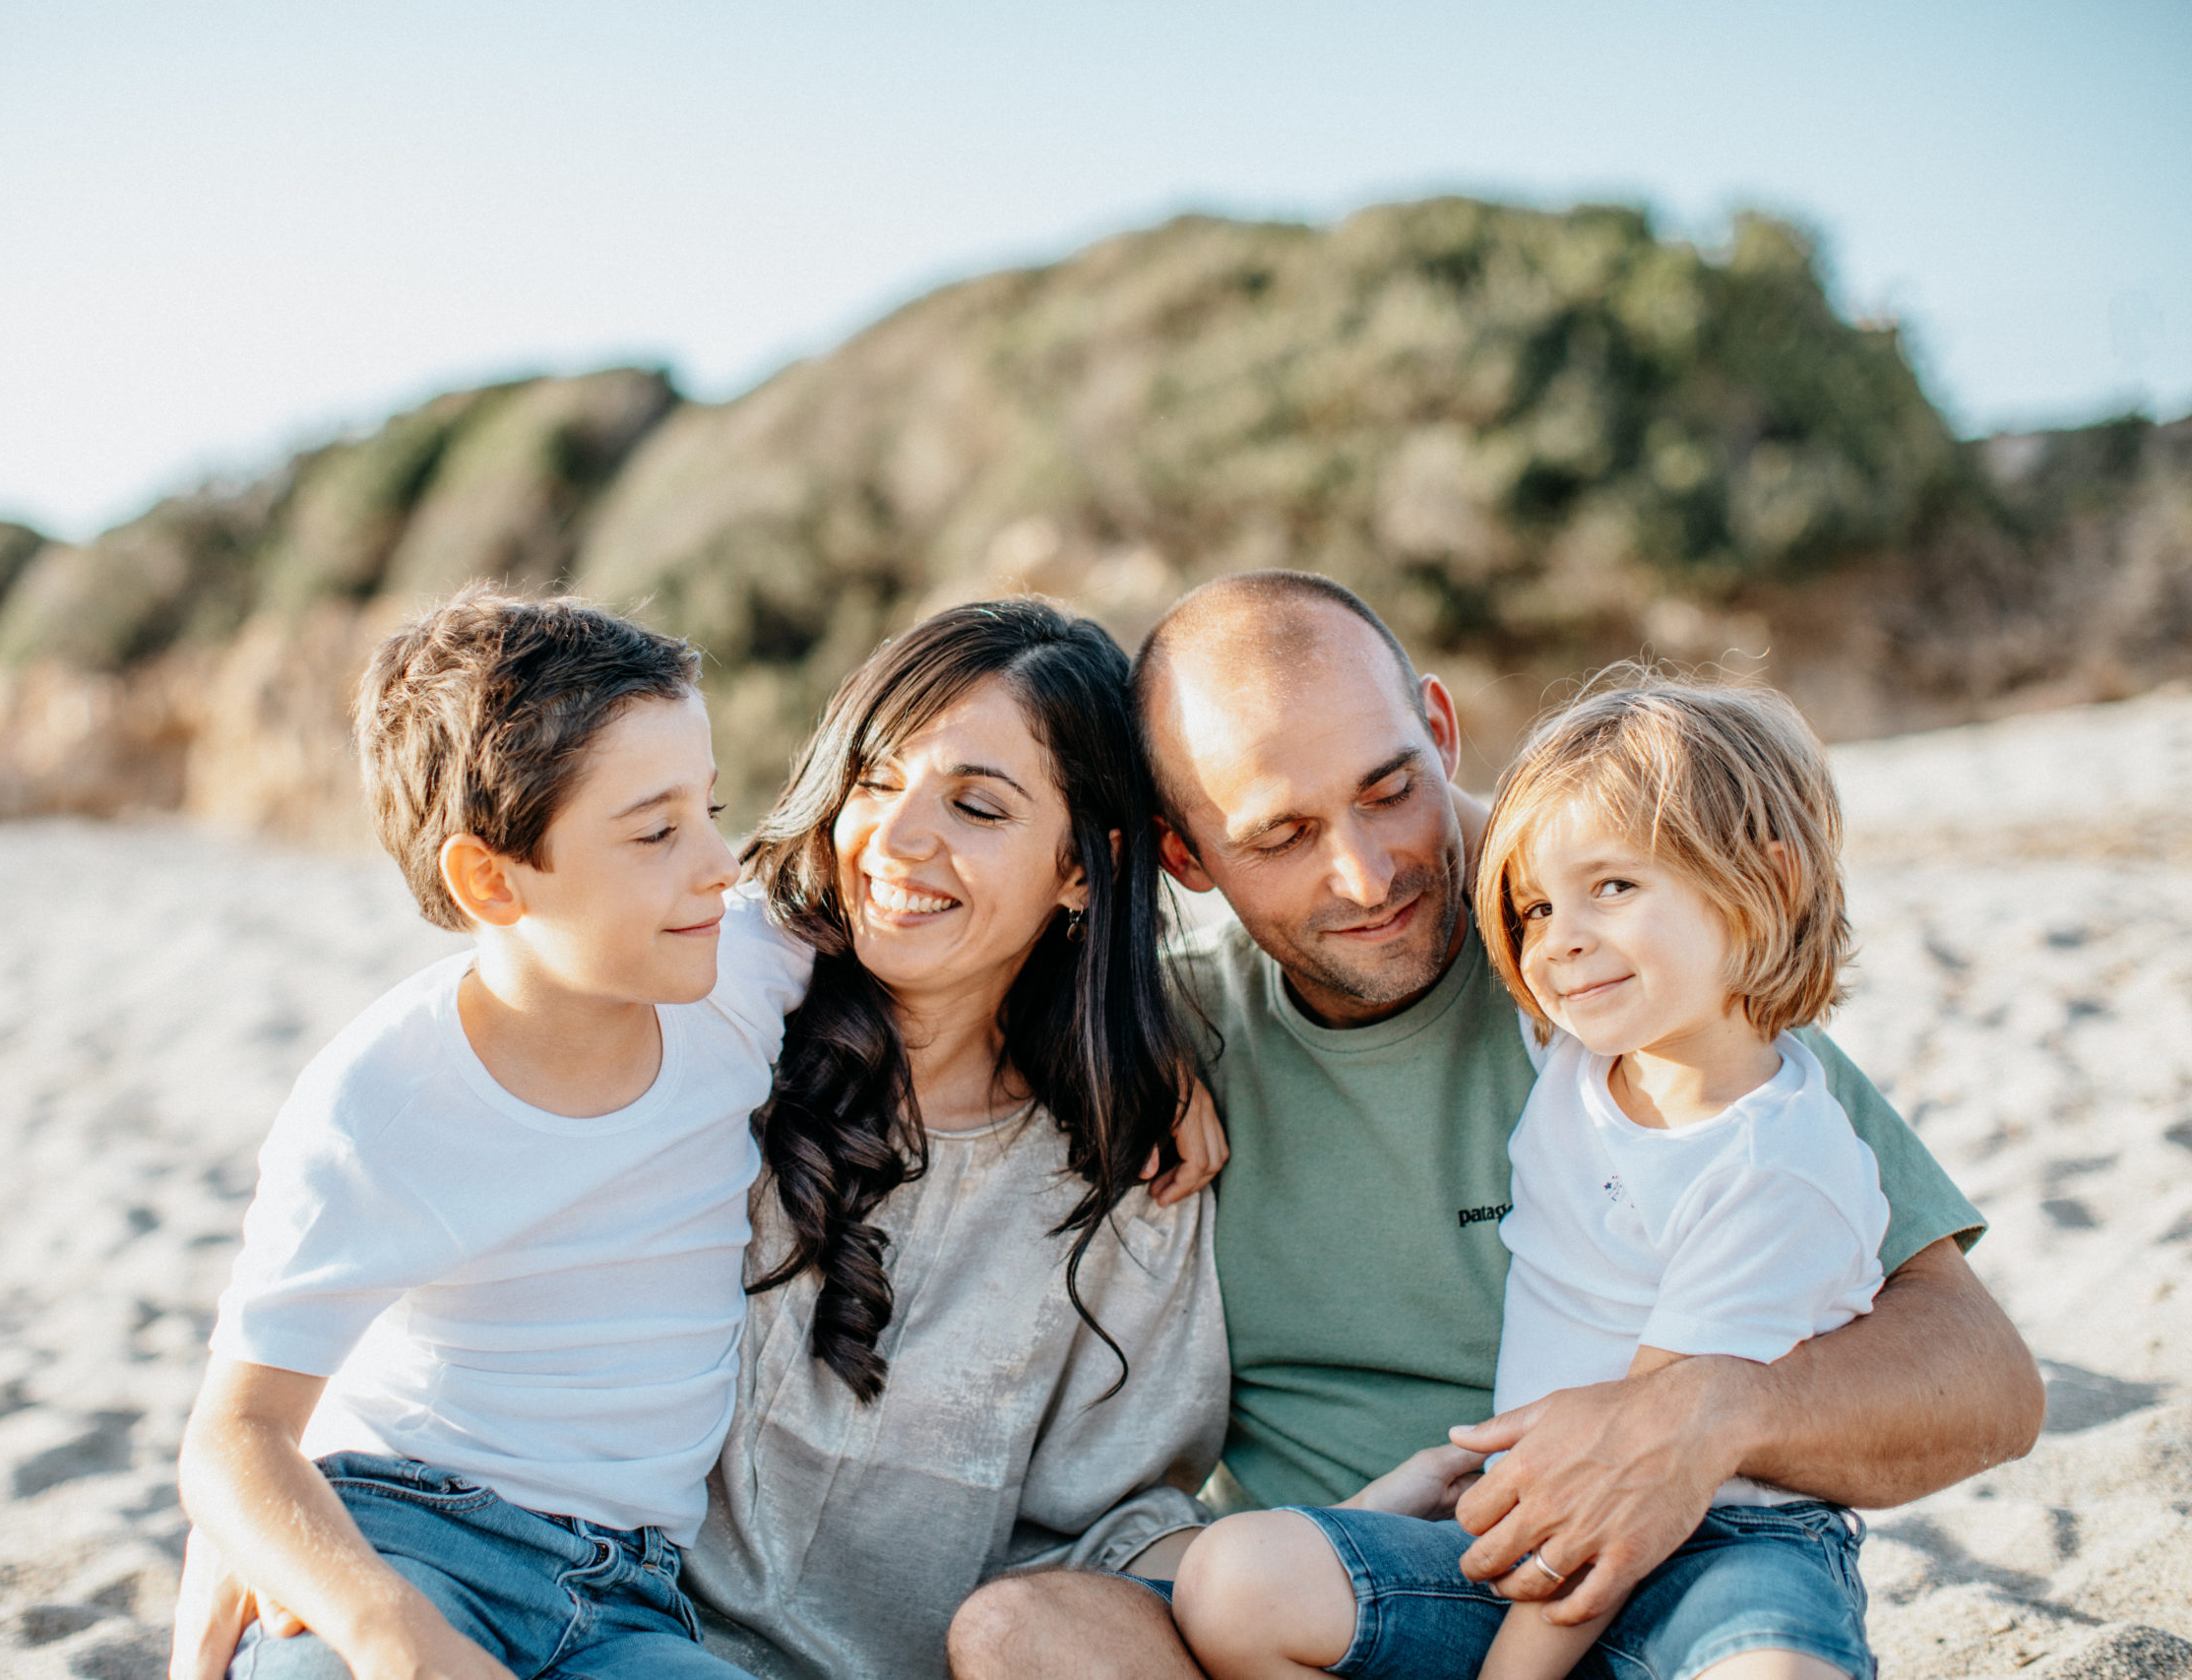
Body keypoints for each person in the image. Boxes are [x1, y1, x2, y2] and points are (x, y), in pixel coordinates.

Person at [946, 570, 2042, 1680]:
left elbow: (1987, 1382)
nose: (1365, 874)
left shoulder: (1614, 971)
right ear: (1183, 855)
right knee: (1019, 1634)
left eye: (1388, 789)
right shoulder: (1163, 1030)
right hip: (1357, 1602)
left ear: (1439, 729)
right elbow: (902, 990)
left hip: (1672, 1565)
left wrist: (1708, 1411)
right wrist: (1127, 1037)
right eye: (1278, 837)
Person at [1173, 672, 1894, 1680]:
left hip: (1712, 1543)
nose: (1560, 939)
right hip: (1507, 1538)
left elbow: (1617, 1478)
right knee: (1237, 1579)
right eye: (1536, 906)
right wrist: (1142, 1046)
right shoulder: (1579, 1048)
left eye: (1614, 887)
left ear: (1767, 884)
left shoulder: (1779, 1170)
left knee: (1769, 1668)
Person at [172, 591, 809, 1680]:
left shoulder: (739, 969)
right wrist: (390, 1635)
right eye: (655, 831)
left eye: (710, 807)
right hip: (410, 1545)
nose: (720, 863)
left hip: (629, 1598)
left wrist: (1159, 1074)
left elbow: (966, 940)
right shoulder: (383, 1102)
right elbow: (234, 1437)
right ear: (491, 879)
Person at [682, 598, 1231, 1680]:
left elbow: (1110, 1530)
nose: (896, 839)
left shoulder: (1128, 1174)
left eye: (978, 807)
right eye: (877, 781)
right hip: (606, 1637)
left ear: (1082, 869)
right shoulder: (713, 1039)